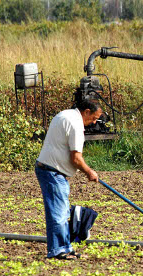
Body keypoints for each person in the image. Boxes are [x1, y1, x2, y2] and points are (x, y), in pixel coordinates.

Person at [35, 98, 102, 260]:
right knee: (58, 213)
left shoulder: (65, 115)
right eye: (93, 118)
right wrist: (89, 172)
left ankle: (65, 247)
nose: (93, 122)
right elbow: (76, 159)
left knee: (63, 212)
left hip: (51, 170)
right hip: (52, 171)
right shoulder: (76, 124)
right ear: (86, 112)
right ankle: (58, 250)